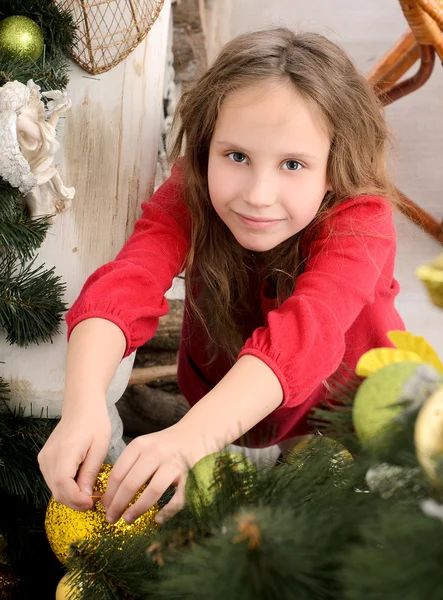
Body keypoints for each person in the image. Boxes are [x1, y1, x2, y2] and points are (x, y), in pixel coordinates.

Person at [38, 28, 405, 525]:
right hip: (224, 394)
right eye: (237, 157)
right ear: (207, 147)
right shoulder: (191, 189)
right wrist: (81, 406)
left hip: (343, 408)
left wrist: (189, 437)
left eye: (293, 164)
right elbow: (127, 283)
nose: (258, 193)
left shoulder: (363, 221)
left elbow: (305, 337)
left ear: (334, 169)